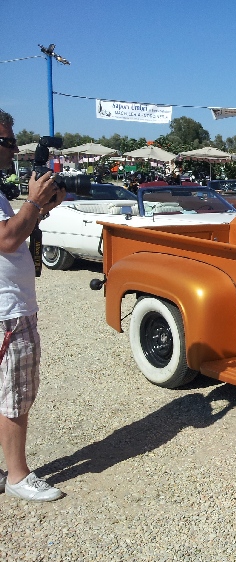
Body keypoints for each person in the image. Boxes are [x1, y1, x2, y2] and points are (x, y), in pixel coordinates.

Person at [0, 108, 66, 501]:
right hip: (9, 312)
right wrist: (33, 202)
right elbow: (8, 240)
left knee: (6, 391)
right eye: (7, 141)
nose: (14, 149)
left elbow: (14, 233)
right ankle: (18, 476)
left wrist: (41, 208)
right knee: (16, 393)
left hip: (9, 308)